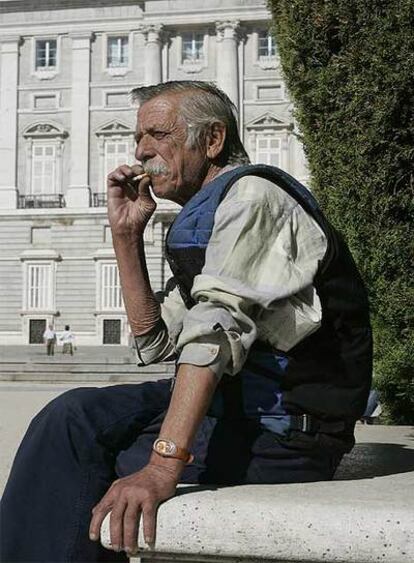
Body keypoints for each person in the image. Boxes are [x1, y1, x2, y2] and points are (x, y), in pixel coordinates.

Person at [0, 81, 372, 562]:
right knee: (70, 417)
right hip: (236, 407)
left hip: (287, 429)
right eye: (138, 137)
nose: (140, 151)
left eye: (158, 134)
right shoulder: (205, 214)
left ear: (213, 140)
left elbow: (212, 336)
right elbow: (157, 346)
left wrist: (162, 464)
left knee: (77, 463)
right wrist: (126, 236)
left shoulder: (253, 198)